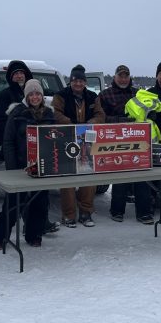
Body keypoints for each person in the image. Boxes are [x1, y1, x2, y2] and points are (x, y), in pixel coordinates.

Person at [0, 80, 56, 248]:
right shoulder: (17, 113)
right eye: (31, 94)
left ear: (42, 96)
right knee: (14, 204)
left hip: (42, 167)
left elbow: (56, 139)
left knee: (40, 203)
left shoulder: (49, 114)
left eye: (38, 94)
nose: (35, 97)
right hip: (20, 166)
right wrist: (12, 169)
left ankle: (34, 234)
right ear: (26, 96)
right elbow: (8, 142)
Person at [52, 64, 105, 228]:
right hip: (65, 140)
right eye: (75, 81)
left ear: (85, 82)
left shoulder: (92, 96)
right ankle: (68, 215)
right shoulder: (60, 96)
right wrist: (71, 124)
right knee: (67, 178)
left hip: (87, 140)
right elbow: (55, 113)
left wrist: (91, 123)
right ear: (71, 81)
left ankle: (86, 212)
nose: (78, 84)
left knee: (88, 176)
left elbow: (100, 114)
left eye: (81, 81)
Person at [99, 65, 154, 224]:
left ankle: (144, 212)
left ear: (129, 77)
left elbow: (151, 109)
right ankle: (117, 210)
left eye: (126, 76)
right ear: (115, 77)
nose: (123, 79)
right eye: (120, 76)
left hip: (140, 139)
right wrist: (121, 121)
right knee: (120, 175)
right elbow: (101, 118)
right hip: (116, 140)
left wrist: (152, 113)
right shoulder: (105, 95)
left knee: (142, 174)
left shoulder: (138, 93)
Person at [0, 59, 33, 151]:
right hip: (13, 143)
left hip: (33, 140)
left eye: (21, 73)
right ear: (11, 77)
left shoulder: (34, 94)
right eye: (16, 73)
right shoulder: (4, 95)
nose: (19, 76)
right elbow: (0, 122)